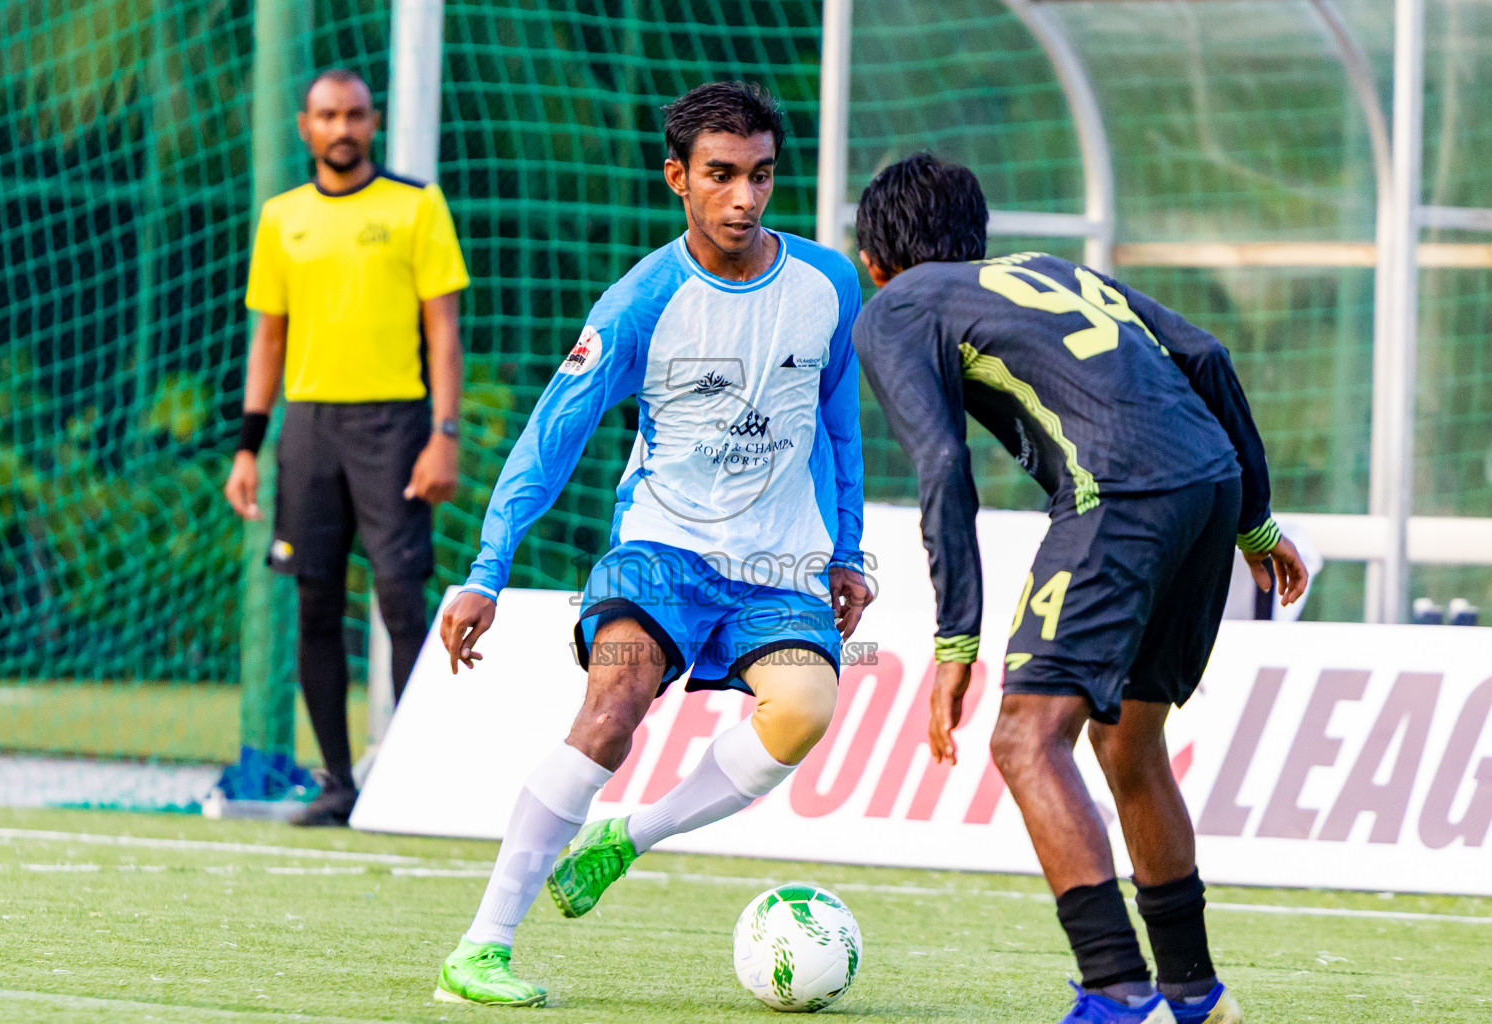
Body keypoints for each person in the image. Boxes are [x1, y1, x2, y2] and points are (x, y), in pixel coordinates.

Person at [431, 81, 870, 1007]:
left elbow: (840, 428)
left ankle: (629, 838)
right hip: (661, 553)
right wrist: (486, 572)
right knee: (614, 705)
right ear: (677, 177)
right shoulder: (642, 299)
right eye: (721, 176)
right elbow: (553, 433)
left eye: (760, 176)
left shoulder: (827, 284)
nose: (744, 198)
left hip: (779, 567)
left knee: (804, 708)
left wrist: (849, 551)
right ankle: (482, 946)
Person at [851, 154, 1307, 1024]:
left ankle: (1113, 990)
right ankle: (1194, 992)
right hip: (1208, 483)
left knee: (1026, 740)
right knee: (1128, 745)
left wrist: (955, 642)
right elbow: (1205, 354)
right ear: (974, 240)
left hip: (1119, 493)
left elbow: (942, 461)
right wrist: (1253, 517)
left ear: (874, 261)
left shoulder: (898, 306)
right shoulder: (1047, 272)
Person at [225, 69, 469, 827]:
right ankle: (338, 782)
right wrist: (248, 447)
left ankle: (418, 776)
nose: (342, 127)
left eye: (355, 115)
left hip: (395, 427)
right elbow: (268, 336)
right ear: (305, 125)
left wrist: (444, 433)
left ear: (374, 121)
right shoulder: (282, 217)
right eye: (327, 115)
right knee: (315, 602)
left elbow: (443, 329)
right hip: (309, 429)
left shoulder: (414, 205)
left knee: (401, 599)